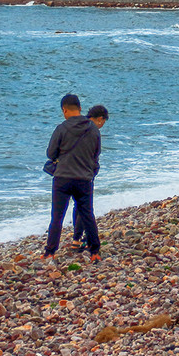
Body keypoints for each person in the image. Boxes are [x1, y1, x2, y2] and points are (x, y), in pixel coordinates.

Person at [43, 94, 101, 261]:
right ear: (80, 108)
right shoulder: (93, 129)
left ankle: (50, 252)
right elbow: (96, 153)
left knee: (57, 217)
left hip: (63, 177)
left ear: (64, 110)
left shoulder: (61, 128)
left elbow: (51, 153)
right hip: (84, 178)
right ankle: (95, 251)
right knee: (87, 214)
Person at [71, 105, 109, 249]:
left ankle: (78, 236)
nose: (102, 125)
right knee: (84, 205)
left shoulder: (76, 125)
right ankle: (78, 238)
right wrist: (94, 169)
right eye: (103, 122)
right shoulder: (93, 130)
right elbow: (94, 153)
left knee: (77, 205)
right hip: (84, 172)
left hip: (69, 170)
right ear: (100, 119)